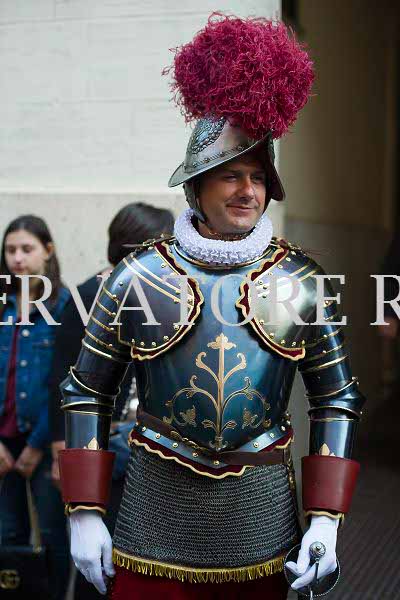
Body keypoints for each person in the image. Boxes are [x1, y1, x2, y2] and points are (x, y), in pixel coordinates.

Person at [58, 14, 364, 600]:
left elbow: (336, 398)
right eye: (229, 175)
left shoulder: (301, 280)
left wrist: (326, 518)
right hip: (154, 517)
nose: (247, 190)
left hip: (260, 519)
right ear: (196, 184)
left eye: (257, 177)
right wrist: (84, 509)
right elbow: (87, 391)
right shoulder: (137, 276)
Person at [49, 202, 174, 599]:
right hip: (100, 442)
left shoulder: (173, 295)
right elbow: (63, 376)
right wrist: (62, 451)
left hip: (151, 445)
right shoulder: (89, 294)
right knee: (98, 559)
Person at [0, 215, 70, 600]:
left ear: (48, 250)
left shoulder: (63, 305)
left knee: (52, 535)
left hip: (43, 443)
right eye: (10, 250)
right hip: (3, 442)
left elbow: (63, 381)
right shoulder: (3, 305)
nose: (17, 258)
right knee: (7, 533)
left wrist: (37, 444)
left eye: (26, 249)